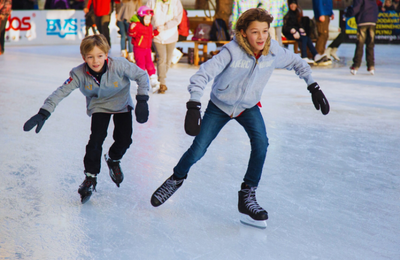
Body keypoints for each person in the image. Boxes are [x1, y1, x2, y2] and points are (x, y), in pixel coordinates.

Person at [149, 8, 330, 229]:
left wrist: (313, 86)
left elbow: (298, 63)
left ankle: (247, 195)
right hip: (220, 106)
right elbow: (202, 74)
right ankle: (176, 178)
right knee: (198, 149)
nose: (261, 37)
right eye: (255, 32)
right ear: (244, 33)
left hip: (248, 107)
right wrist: (194, 105)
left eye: (265, 31)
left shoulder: (273, 51)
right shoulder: (231, 51)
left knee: (261, 144)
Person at [23, 35, 150, 204]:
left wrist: (142, 99)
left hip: (121, 104)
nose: (95, 61)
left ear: (106, 54)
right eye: (90, 57)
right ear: (84, 58)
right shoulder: (78, 74)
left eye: (99, 56)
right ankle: (90, 177)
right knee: (95, 141)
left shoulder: (119, 65)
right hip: (99, 105)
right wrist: (44, 112)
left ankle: (113, 158)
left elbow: (142, 75)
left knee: (125, 139)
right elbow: (61, 92)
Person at [146, 0, 182, 94]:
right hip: (157, 35)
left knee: (168, 61)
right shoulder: (152, 2)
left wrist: (166, 26)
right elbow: (145, 14)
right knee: (162, 58)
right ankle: (162, 83)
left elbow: (178, 18)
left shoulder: (176, 2)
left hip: (171, 35)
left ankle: (161, 78)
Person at [283, 0, 327, 64]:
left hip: (296, 32)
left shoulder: (297, 13)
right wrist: (292, 31)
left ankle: (315, 55)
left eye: (294, 4)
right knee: (304, 38)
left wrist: (301, 29)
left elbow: (299, 24)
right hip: (289, 33)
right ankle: (304, 57)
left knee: (307, 37)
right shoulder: (287, 14)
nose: (293, 6)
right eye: (291, 4)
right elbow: (285, 27)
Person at [128, 6, 161, 93]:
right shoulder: (137, 25)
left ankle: (153, 81)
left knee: (150, 64)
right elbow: (131, 34)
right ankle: (142, 83)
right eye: (146, 19)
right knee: (141, 65)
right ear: (141, 18)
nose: (148, 21)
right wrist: (132, 28)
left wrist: (156, 31)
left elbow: (151, 35)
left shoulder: (149, 26)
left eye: (149, 19)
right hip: (139, 49)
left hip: (147, 49)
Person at [345, 0, 379, 75]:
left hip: (363, 21)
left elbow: (356, 8)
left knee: (360, 44)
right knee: (370, 44)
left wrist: (347, 14)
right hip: (372, 21)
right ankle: (371, 65)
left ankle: (356, 65)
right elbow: (375, 8)